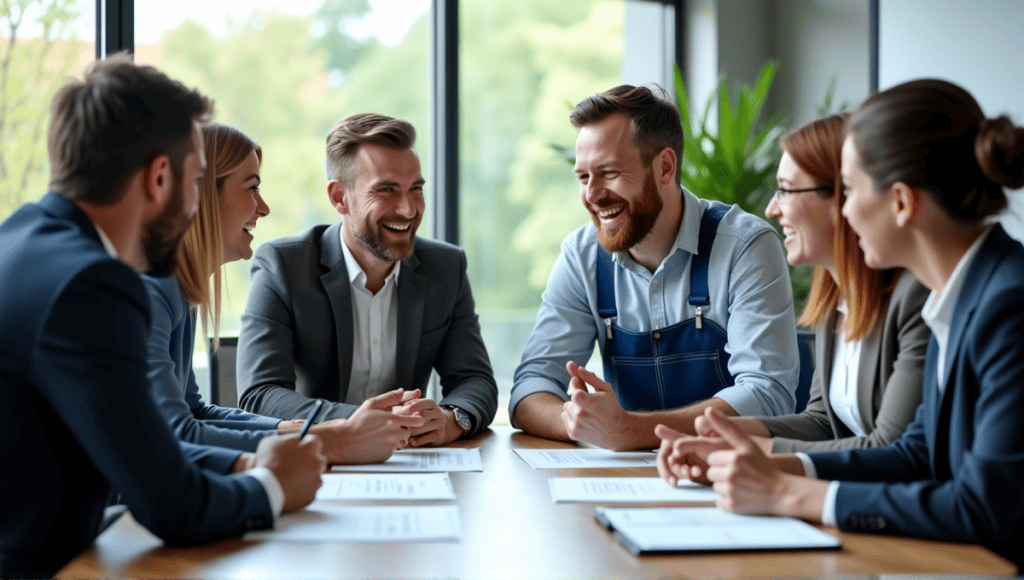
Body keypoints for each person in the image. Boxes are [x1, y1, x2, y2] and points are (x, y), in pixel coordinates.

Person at [656, 79, 1024, 568]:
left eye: (848, 190)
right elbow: (917, 452)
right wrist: (750, 464)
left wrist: (790, 494)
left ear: (900, 202)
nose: (845, 212)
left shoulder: (1007, 306)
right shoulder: (959, 292)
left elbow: (984, 507)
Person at [0, 56, 325, 578]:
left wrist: (247, 461)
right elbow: (172, 506)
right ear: (158, 178)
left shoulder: (20, 238)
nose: (196, 206)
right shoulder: (94, 287)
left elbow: (138, 447)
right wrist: (272, 486)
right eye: (196, 182)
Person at [511, 84, 800, 451]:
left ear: (665, 167)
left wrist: (630, 430)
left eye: (610, 172)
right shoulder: (581, 255)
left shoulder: (746, 246)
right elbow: (530, 387)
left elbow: (767, 395)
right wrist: (579, 423)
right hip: (623, 476)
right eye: (583, 177)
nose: (592, 195)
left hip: (730, 475)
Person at [144, 123, 421, 463]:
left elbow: (195, 412)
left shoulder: (179, 290)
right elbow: (177, 432)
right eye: (252, 188)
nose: (263, 208)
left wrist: (306, 431)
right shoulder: (153, 291)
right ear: (200, 194)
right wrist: (331, 440)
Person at [658, 114, 930, 454]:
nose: (772, 209)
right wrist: (723, 432)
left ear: (841, 197)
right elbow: (823, 422)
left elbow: (892, 448)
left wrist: (753, 451)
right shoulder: (835, 300)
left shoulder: (914, 298)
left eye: (785, 190)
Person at [237, 113, 497, 446]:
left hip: (411, 462)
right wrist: (363, 423)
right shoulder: (284, 266)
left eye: (415, 189)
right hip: (318, 456)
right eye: (386, 190)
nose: (407, 209)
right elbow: (260, 394)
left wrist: (450, 419)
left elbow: (475, 381)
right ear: (338, 197)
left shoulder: (445, 267)